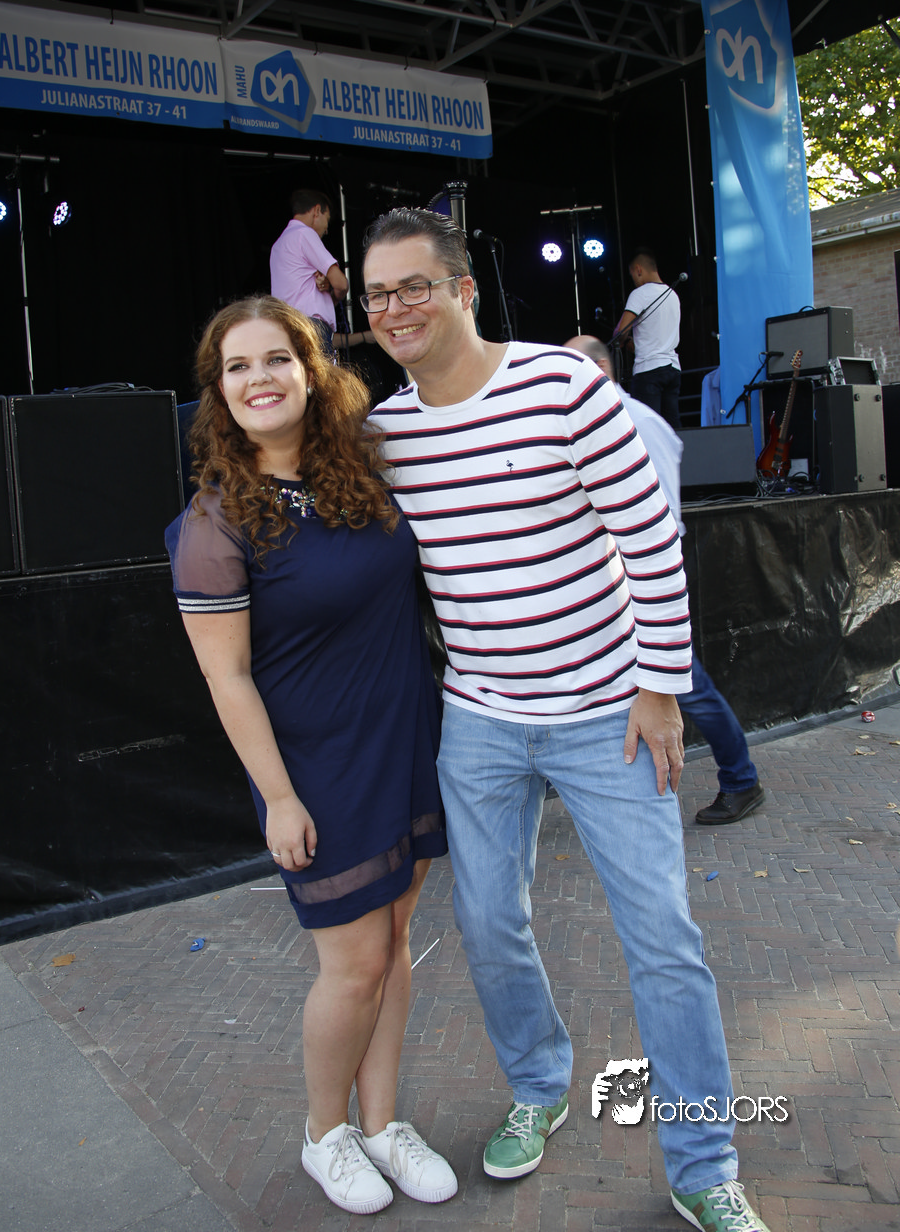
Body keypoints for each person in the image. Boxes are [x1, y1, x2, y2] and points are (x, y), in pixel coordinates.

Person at [359, 208, 773, 1232]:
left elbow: (651, 539)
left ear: (464, 291)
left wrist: (659, 688)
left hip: (606, 717)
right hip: (479, 721)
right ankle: (540, 1086)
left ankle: (703, 1164)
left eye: (415, 286)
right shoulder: (388, 436)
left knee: (663, 941)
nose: (395, 308)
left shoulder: (561, 386)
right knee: (487, 925)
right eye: (376, 295)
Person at [165, 296, 456, 1216]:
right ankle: (324, 1134)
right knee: (354, 963)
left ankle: (382, 1123)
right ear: (219, 391)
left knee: (395, 941)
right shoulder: (215, 522)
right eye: (237, 366)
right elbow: (227, 680)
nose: (259, 379)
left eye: (276, 359)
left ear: (310, 370)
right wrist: (279, 797)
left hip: (405, 738)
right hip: (315, 771)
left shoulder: (361, 473)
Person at [565, 334, 765, 826]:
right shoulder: (614, 420)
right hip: (625, 576)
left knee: (685, 684)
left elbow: (655, 522)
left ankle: (741, 779)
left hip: (638, 578)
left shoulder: (631, 423)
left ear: (598, 371)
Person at [269, 188, 377, 358]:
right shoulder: (304, 234)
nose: (326, 230)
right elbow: (342, 284)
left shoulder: (278, 245)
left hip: (285, 329)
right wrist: (334, 296)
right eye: (327, 220)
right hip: (310, 327)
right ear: (317, 211)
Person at [613, 245, 682, 428]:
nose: (634, 281)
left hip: (648, 371)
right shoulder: (672, 295)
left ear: (638, 270)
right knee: (671, 427)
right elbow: (654, 338)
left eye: (633, 276)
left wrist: (622, 340)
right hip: (672, 368)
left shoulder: (640, 294)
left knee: (647, 427)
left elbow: (621, 331)